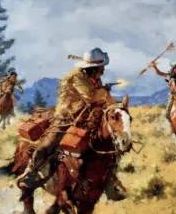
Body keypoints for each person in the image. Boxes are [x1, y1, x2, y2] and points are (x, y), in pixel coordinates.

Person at [17, 48, 121, 194]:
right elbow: (90, 96)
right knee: (47, 145)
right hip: (68, 116)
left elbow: (96, 95)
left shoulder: (94, 76)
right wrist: (104, 91)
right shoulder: (76, 76)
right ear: (92, 67)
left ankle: (109, 181)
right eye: (100, 67)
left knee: (109, 142)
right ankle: (30, 173)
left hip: (88, 115)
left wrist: (105, 93)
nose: (103, 70)